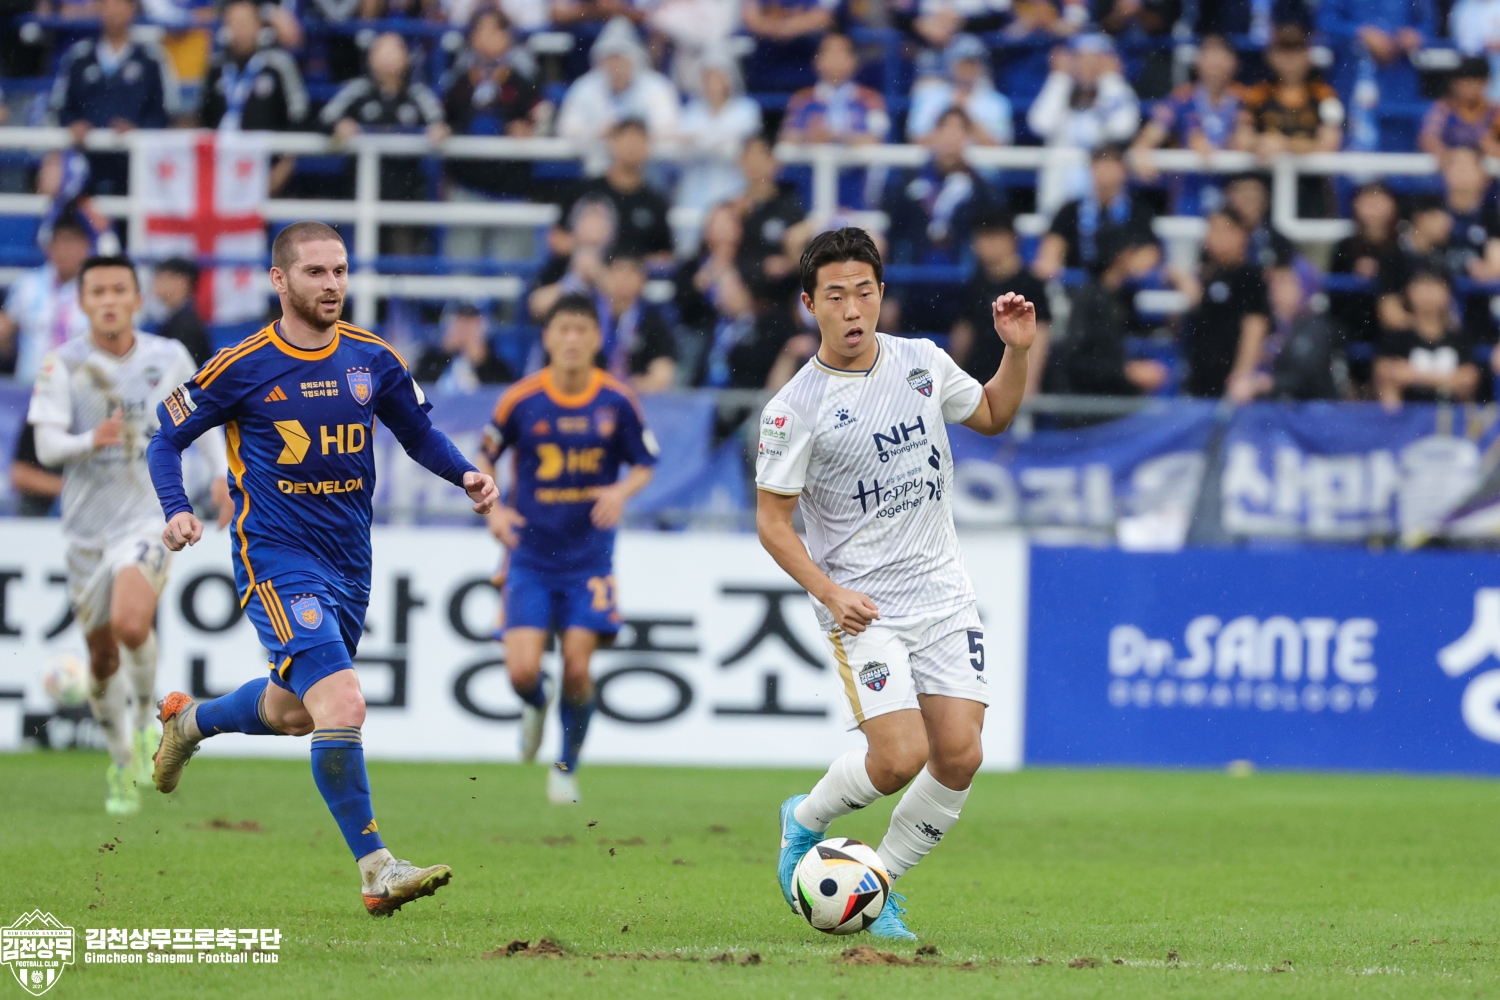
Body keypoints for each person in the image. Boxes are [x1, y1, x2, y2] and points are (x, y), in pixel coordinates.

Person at [147, 221, 500, 915]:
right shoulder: (241, 364)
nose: (332, 284)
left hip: (350, 562)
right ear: (279, 280)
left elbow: (418, 432)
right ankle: (377, 869)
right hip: (275, 556)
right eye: (316, 272)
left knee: (293, 714)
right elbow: (165, 439)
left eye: (339, 270)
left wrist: (464, 473)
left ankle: (189, 723)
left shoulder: (373, 358)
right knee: (342, 703)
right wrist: (177, 508)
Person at [761, 227, 1035, 943]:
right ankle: (805, 819)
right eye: (835, 296)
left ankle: (876, 885)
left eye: (864, 292)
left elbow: (995, 415)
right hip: (864, 609)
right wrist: (830, 593)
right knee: (899, 758)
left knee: (961, 754)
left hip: (944, 596)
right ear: (809, 305)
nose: (852, 309)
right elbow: (773, 524)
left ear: (881, 293)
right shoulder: (794, 408)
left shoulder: (922, 362)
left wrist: (1016, 351)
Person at [28, 253, 230, 815]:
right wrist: (90, 439)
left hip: (148, 517)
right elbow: (46, 446)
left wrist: (220, 475)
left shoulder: (168, 357)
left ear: (138, 299)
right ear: (82, 302)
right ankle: (120, 759)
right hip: (85, 532)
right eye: (98, 292)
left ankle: (146, 721)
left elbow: (202, 420)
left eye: (120, 289)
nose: (110, 300)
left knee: (131, 623)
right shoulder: (62, 365)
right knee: (100, 661)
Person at [478, 293, 658, 804]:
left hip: (588, 558)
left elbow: (645, 462)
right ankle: (536, 702)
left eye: (583, 329)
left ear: (598, 339)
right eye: (564, 329)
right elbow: (483, 457)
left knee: (578, 669)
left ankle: (564, 767)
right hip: (530, 555)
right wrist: (495, 510)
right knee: (522, 673)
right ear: (548, 337)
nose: (573, 339)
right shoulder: (521, 399)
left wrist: (619, 492)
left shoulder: (616, 401)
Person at [320, 33, 449, 254]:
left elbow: (442, 123)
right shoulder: (357, 91)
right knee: (355, 260)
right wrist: (338, 126)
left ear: (406, 58)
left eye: (394, 51)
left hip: (404, 198)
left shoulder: (418, 95)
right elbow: (324, 120)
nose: (388, 58)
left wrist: (440, 131)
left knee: (402, 263)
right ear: (370, 57)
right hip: (359, 194)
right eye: (382, 51)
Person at [441, 9, 548, 260]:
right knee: (462, 269)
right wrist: (443, 130)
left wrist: (530, 129)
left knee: (510, 270)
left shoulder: (525, 79)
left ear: (507, 37)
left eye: (494, 30)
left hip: (510, 188)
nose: (486, 37)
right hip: (468, 185)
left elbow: (544, 117)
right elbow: (443, 118)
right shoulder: (459, 81)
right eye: (480, 29)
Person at [47, 0, 179, 195]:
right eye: (107, 4)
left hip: (136, 166)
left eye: (120, 4)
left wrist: (139, 130)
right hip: (85, 164)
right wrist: (72, 124)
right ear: (98, 8)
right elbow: (60, 106)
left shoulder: (152, 58)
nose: (113, 11)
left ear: (132, 8)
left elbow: (165, 111)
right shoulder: (79, 57)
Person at [197, 0, 309, 195]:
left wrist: (282, 169)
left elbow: (299, 117)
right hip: (220, 174)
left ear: (259, 26)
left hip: (267, 173)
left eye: (246, 23)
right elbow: (204, 120)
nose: (240, 30)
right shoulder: (215, 67)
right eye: (233, 23)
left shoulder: (278, 65)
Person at [1026, 33, 1141, 215]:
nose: (1087, 65)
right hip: (1057, 192)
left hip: (1100, 197)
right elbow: (1040, 124)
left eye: (1095, 59)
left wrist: (1110, 79)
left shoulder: (1117, 91)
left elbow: (1123, 127)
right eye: (1080, 58)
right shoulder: (1060, 91)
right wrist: (1060, 78)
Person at [1234, 21, 1342, 213]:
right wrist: (1261, 143)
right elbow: (1240, 140)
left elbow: (1329, 144)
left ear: (1308, 55)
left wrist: (1284, 145)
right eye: (1283, 52)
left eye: (1297, 52)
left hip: (1311, 186)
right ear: (1271, 56)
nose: (1290, 60)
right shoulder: (1257, 94)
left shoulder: (1324, 95)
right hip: (1266, 183)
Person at [1044, 228, 1168, 395]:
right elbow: (1075, 359)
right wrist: (1126, 372)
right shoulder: (1088, 299)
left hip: (1114, 397)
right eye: (1134, 251)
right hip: (1086, 400)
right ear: (1121, 256)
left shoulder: (1123, 297)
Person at [1130, 34, 1241, 214]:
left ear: (1233, 62)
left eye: (1221, 55)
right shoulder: (1181, 99)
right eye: (1209, 54)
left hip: (1231, 194)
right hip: (1189, 193)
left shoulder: (1243, 101)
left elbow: (1248, 137)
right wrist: (1142, 150)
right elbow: (1151, 135)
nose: (1215, 62)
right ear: (1198, 61)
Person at [881, 107, 999, 267]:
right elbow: (894, 225)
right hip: (914, 269)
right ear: (935, 134)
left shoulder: (980, 188)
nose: (951, 136)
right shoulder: (910, 179)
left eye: (959, 129)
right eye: (945, 128)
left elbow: (990, 228)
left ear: (968, 137)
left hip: (962, 271)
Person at [950, 207, 1051, 393]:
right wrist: (955, 377)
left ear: (1012, 239)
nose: (986, 245)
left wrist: (1029, 383)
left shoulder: (1030, 285)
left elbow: (1040, 335)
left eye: (993, 237)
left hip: (1015, 379)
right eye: (981, 238)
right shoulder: (974, 284)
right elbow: (964, 332)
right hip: (978, 378)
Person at [554, 119, 676, 269]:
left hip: (632, 279)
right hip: (584, 274)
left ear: (648, 147)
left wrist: (632, 266)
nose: (632, 147)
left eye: (638, 141)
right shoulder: (586, 190)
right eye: (627, 140)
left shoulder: (655, 201)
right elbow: (557, 238)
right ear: (612, 144)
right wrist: (587, 253)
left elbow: (666, 254)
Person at [1180, 210, 1271, 400]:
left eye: (1225, 230)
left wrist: (1242, 374)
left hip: (1230, 382)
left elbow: (1254, 327)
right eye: (1212, 230)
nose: (1216, 237)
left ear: (1242, 235)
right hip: (1200, 379)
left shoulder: (1249, 278)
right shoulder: (1204, 277)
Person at [555, 17, 681, 151]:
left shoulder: (656, 87)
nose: (616, 66)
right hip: (597, 158)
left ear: (635, 60)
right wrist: (598, 133)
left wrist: (630, 135)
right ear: (600, 61)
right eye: (610, 59)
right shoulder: (585, 87)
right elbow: (567, 128)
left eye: (621, 59)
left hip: (647, 160)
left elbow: (668, 127)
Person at [1033, 144, 1155, 280]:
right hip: (1078, 283)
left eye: (1111, 167)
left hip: (1122, 284)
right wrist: (1051, 263)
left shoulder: (1137, 210)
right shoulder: (1071, 209)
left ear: (1123, 171)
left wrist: (1119, 272)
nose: (1105, 173)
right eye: (1100, 166)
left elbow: (1149, 252)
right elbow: (1052, 247)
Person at [0, 214, 92, 383]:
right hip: (30, 386)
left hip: (79, 388)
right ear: (49, 246)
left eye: (73, 243)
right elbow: (5, 333)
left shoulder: (96, 290)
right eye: (60, 242)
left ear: (86, 247)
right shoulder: (27, 284)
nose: (66, 250)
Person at [675, 51, 763, 215]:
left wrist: (700, 140)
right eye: (708, 77)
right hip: (695, 186)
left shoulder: (746, 109)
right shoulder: (691, 111)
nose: (712, 83)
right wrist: (716, 140)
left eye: (718, 77)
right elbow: (681, 146)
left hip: (734, 183)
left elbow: (740, 147)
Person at [1375, 269, 1480, 405]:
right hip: (1408, 416)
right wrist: (1450, 379)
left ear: (1447, 293)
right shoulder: (1397, 337)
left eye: (1434, 286)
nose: (1428, 294)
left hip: (1449, 415)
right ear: (1408, 292)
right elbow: (1384, 375)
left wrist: (1414, 375)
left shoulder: (1459, 337)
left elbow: (1469, 379)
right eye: (1422, 286)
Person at [1326, 181, 1402, 356]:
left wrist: (1383, 271)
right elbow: (1334, 295)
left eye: (1379, 200)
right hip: (1352, 322)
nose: (1373, 207)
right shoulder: (1345, 247)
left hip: (1390, 323)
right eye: (1367, 200)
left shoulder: (1402, 245)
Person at [735, 135, 806, 313]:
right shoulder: (732, 210)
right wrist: (759, 268)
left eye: (761, 156)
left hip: (786, 297)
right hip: (744, 294)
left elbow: (806, 254)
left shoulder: (791, 208)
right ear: (740, 163)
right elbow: (716, 253)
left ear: (775, 162)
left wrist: (789, 263)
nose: (755, 163)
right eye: (750, 156)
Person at [906, 34, 1014, 146]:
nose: (967, 70)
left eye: (972, 65)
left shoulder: (996, 102)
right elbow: (917, 140)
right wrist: (950, 122)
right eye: (962, 64)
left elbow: (997, 145)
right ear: (952, 66)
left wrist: (965, 113)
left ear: (981, 67)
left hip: (978, 157)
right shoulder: (930, 96)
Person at [596, 253, 679, 391]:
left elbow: (663, 372)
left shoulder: (653, 320)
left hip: (637, 395)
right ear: (605, 277)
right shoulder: (591, 317)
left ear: (642, 280)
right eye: (617, 271)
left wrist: (627, 388)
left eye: (630, 273)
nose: (622, 279)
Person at [413, 303, 516, 389]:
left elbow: (502, 393)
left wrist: (481, 363)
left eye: (471, 324)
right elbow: (417, 389)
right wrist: (444, 354)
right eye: (460, 322)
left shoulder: (497, 365)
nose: (465, 330)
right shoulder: (430, 359)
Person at [1420, 57, 1498, 157]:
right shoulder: (1443, 110)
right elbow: (1428, 138)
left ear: (1485, 82)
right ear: (1453, 83)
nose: (1470, 87)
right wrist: (1448, 156)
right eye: (1464, 81)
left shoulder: (1493, 111)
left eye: (1475, 81)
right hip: (1451, 160)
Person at [150, 257, 211, 367]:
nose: (156, 282)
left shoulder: (186, 326)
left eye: (162, 277)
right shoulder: (176, 319)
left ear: (182, 282)